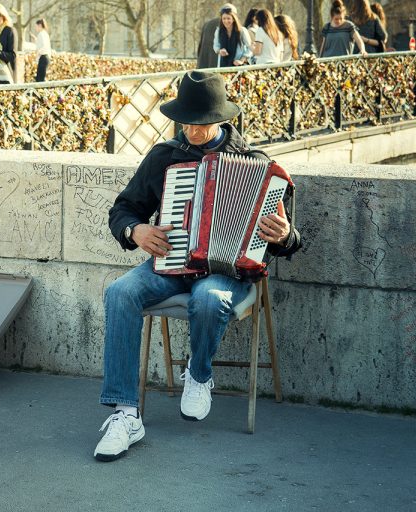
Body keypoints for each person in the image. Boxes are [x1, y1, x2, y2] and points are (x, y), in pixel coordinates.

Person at [93, 70, 301, 462]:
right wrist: (135, 230)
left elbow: (288, 242)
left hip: (229, 274)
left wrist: (284, 235)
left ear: (222, 119)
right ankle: (126, 415)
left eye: (201, 123)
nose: (191, 129)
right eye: (185, 120)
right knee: (120, 292)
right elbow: (122, 210)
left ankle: (199, 374)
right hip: (170, 266)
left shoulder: (257, 165)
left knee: (207, 297)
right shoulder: (163, 158)